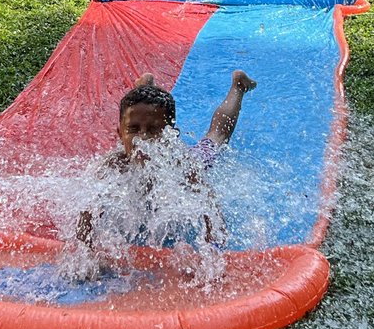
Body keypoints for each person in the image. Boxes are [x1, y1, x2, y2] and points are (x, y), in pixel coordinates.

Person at [74, 70, 256, 265]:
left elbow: (210, 206)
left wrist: (214, 254)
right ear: (120, 134)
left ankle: (238, 86)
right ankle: (146, 89)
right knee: (146, 110)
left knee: (216, 137)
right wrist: (85, 255)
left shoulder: (182, 165)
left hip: (187, 157)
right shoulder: (115, 164)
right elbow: (88, 211)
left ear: (171, 135)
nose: (142, 138)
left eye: (153, 130)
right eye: (133, 129)